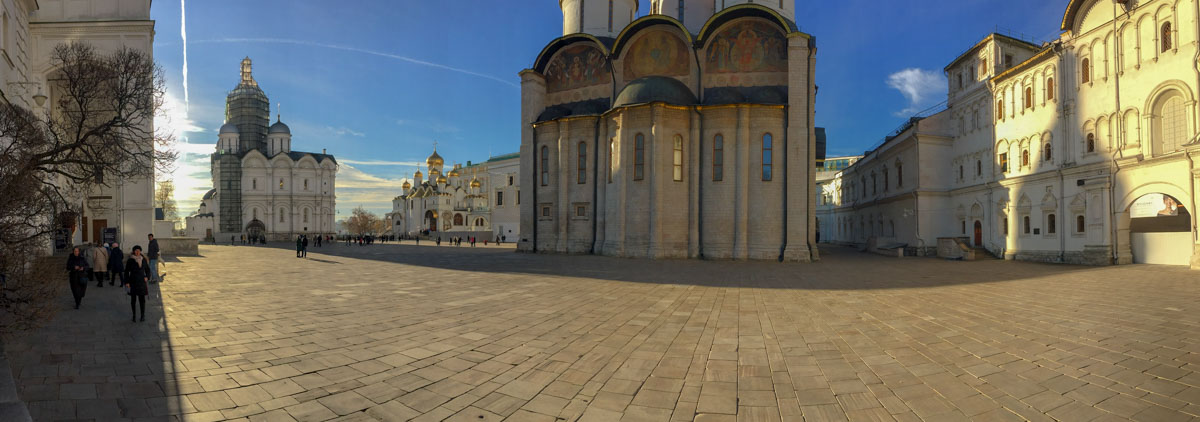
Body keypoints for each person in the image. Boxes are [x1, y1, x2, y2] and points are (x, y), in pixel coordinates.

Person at [124, 245, 151, 322]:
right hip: (133, 282)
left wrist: (147, 277)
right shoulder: (130, 260)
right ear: (133, 251)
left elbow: (147, 270)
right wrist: (127, 282)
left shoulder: (143, 260)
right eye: (136, 250)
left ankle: (142, 315)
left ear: (140, 251)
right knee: (133, 300)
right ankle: (134, 315)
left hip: (142, 282)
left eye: (139, 250)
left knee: (142, 300)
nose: (137, 252)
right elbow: (126, 272)